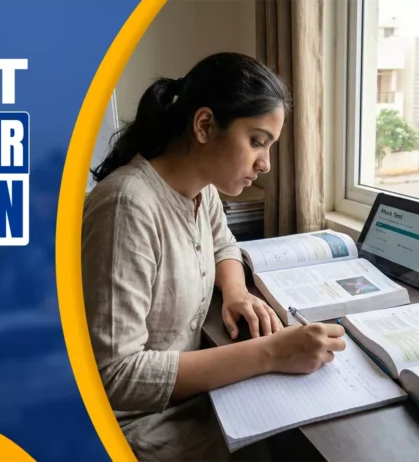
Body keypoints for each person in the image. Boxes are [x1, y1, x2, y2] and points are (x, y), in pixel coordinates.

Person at [81, 52, 347, 461]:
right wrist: (272, 352)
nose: (265, 164)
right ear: (204, 125)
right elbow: (115, 375)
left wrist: (236, 293)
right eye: (257, 141)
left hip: (191, 397)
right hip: (134, 423)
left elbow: (223, 243)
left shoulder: (200, 189)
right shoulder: (127, 206)